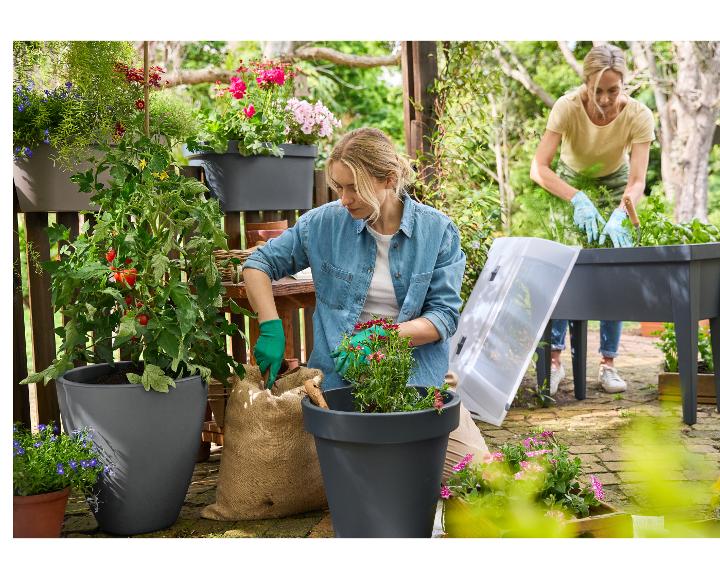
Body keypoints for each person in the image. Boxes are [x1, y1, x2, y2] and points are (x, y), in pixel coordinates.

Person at [242, 127, 489, 478]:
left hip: (414, 383)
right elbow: (257, 265)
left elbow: (443, 318)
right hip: (338, 390)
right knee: (370, 478)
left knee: (478, 477)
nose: (343, 198)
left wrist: (380, 339)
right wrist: (269, 325)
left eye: (353, 187)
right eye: (338, 187)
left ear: (388, 180)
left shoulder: (437, 232)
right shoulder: (323, 224)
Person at [530, 43, 655, 396]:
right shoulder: (567, 107)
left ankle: (609, 364)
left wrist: (620, 212)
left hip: (616, 183)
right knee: (562, 270)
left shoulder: (639, 115)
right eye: (597, 90)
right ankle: (554, 362)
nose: (604, 99)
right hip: (570, 183)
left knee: (612, 271)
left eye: (613, 90)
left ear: (624, 85)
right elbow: (539, 168)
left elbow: (637, 180)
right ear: (585, 83)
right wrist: (577, 197)